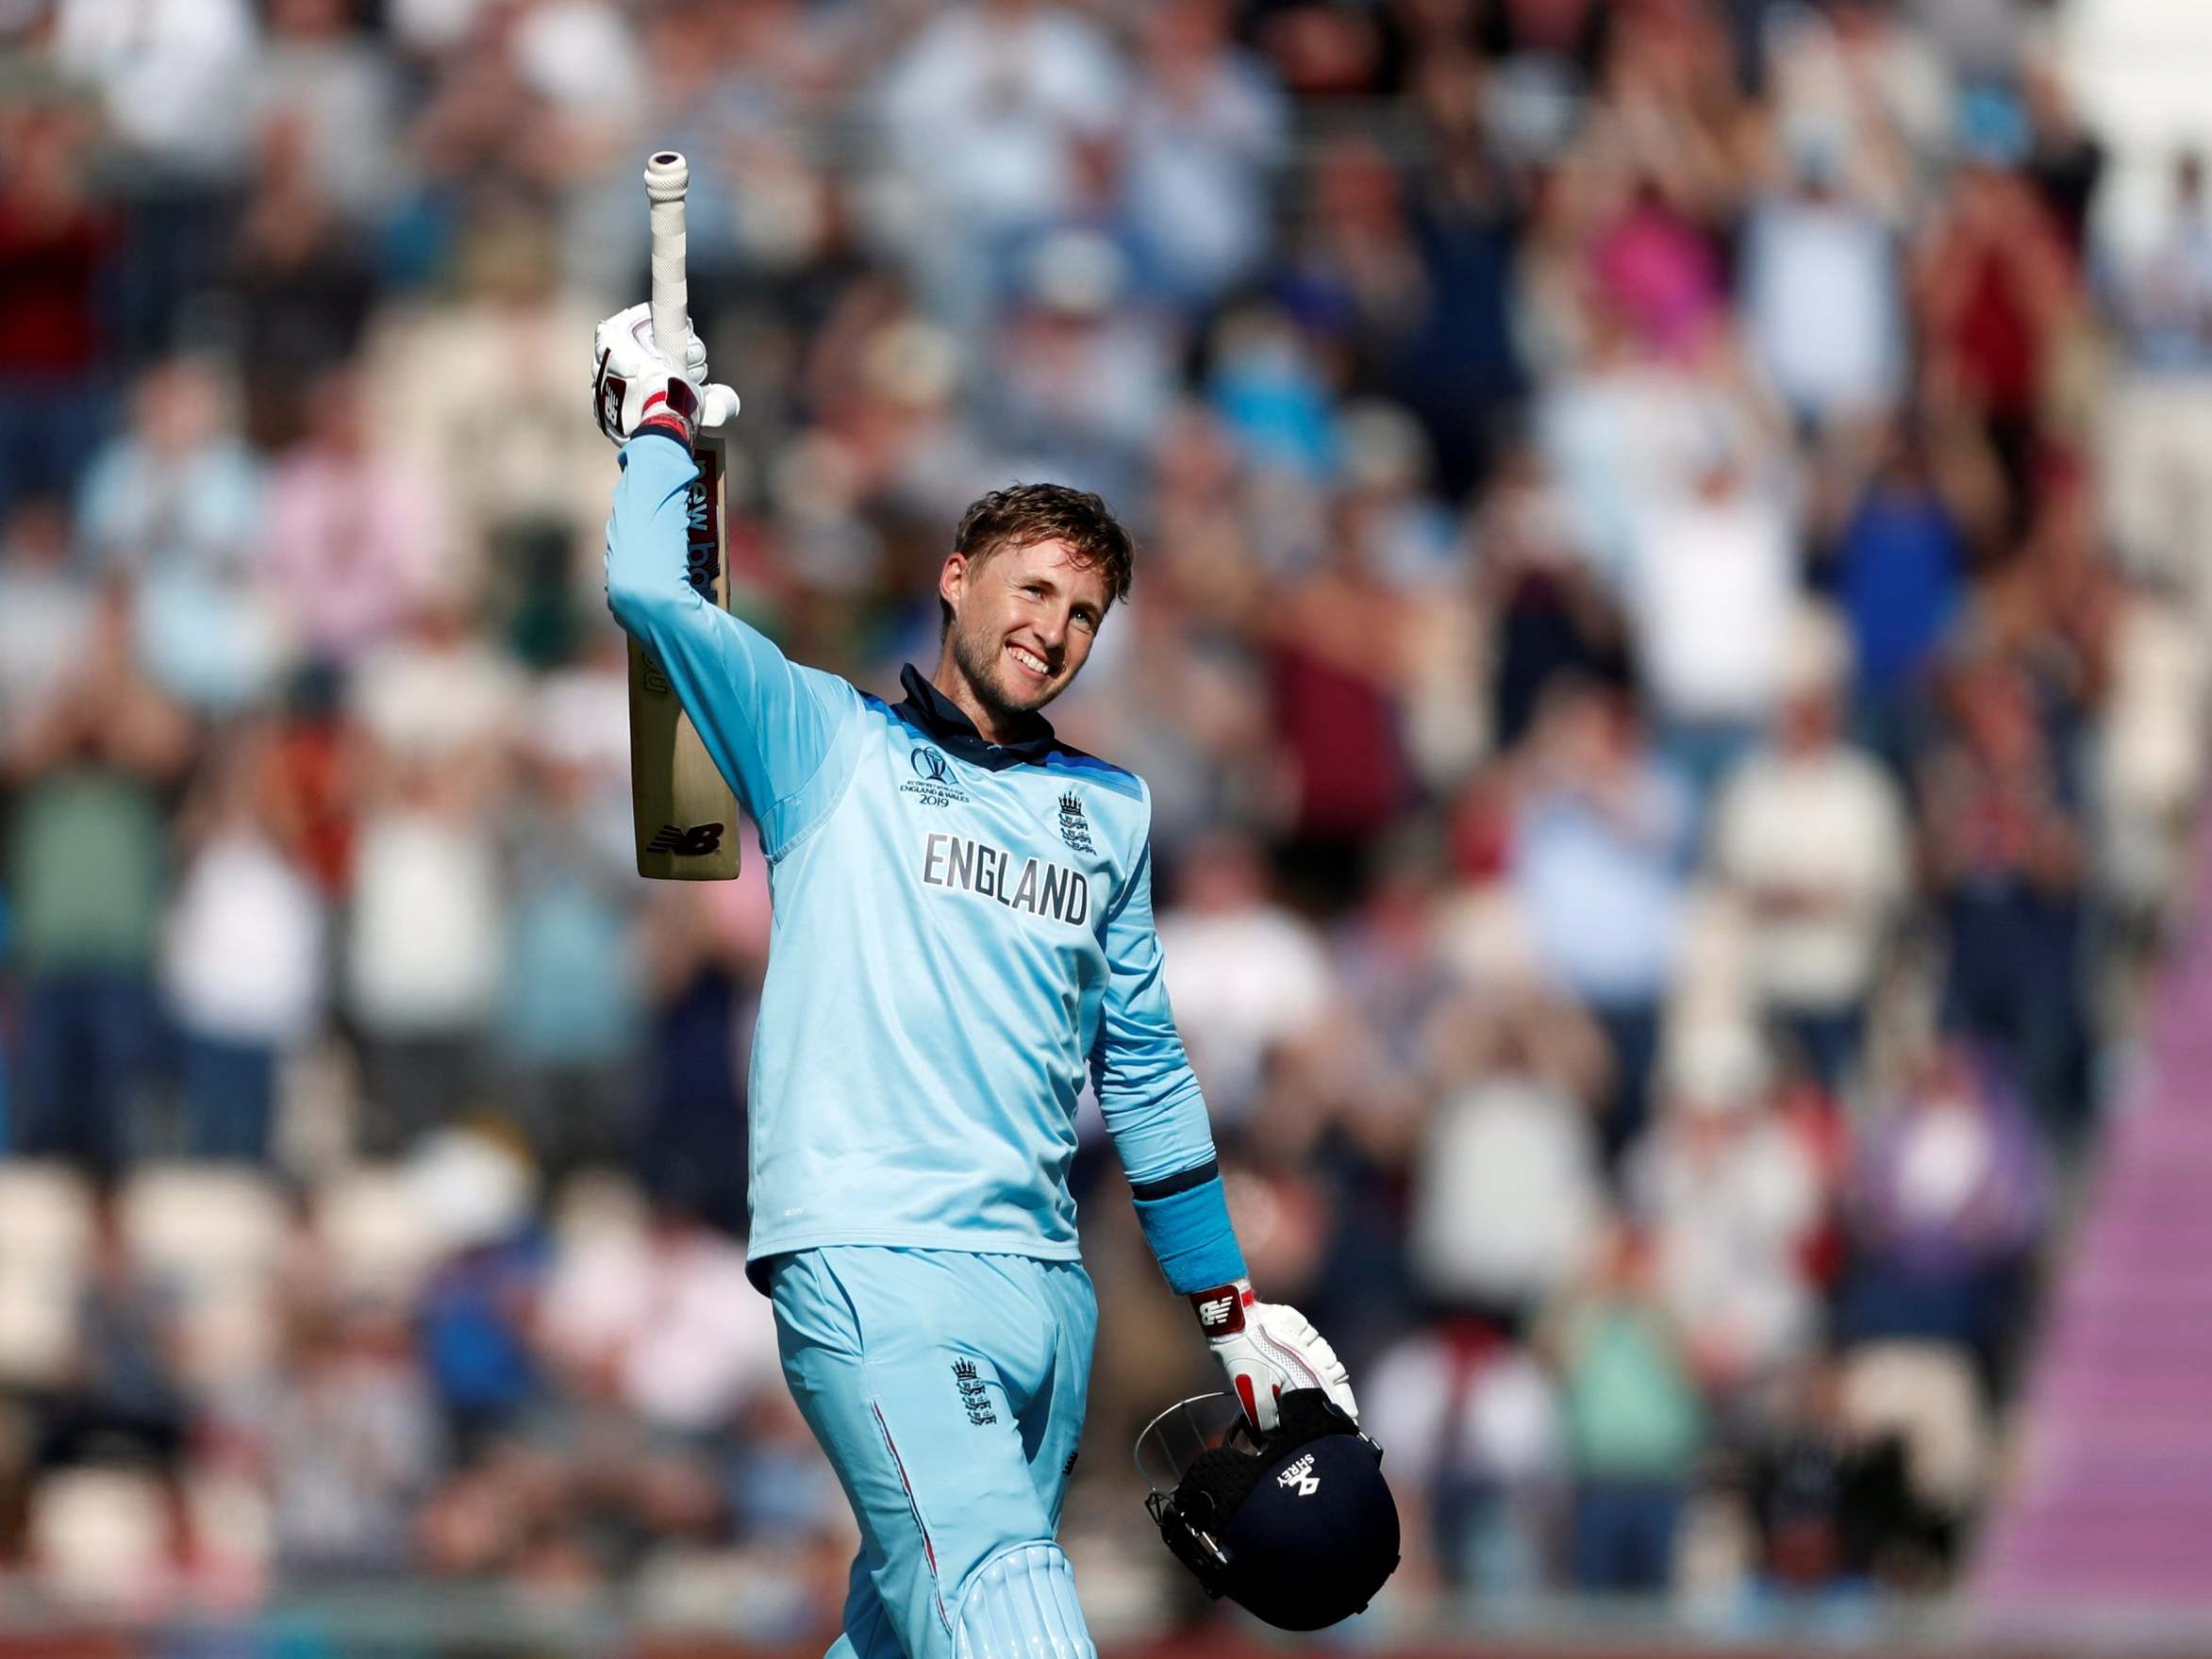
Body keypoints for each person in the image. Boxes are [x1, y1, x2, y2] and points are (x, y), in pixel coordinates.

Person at [590, 305, 1357, 1659]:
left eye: (1083, 612)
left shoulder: (1108, 810)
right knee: (1002, 1596)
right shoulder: (826, 744)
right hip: (871, 1258)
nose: (1052, 629)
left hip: (1043, 1282)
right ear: (956, 578)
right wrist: (653, 427)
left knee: (907, 1634)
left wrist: (1231, 1312)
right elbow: (655, 597)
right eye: (1031, 588)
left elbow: (1150, 1077)